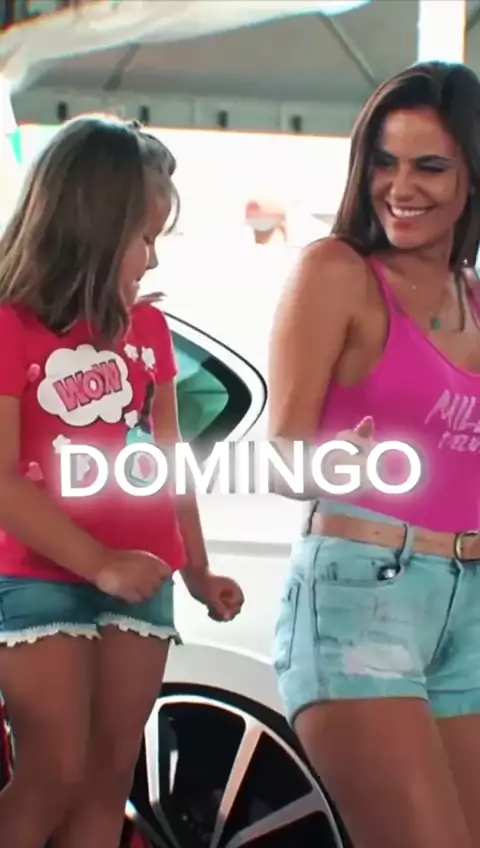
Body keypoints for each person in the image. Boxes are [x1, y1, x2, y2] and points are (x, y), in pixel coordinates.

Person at [0, 114, 244, 848]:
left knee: (108, 779)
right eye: (144, 238)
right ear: (92, 228)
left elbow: (170, 463)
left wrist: (197, 569)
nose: (153, 258)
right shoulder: (10, 325)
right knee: (54, 772)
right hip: (37, 577)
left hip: (144, 580)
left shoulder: (151, 332)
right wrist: (98, 562)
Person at [268, 61, 480, 848]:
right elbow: (283, 460)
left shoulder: (473, 295)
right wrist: (335, 464)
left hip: (469, 601)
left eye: (430, 166)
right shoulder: (337, 272)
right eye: (385, 163)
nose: (400, 187)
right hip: (362, 595)